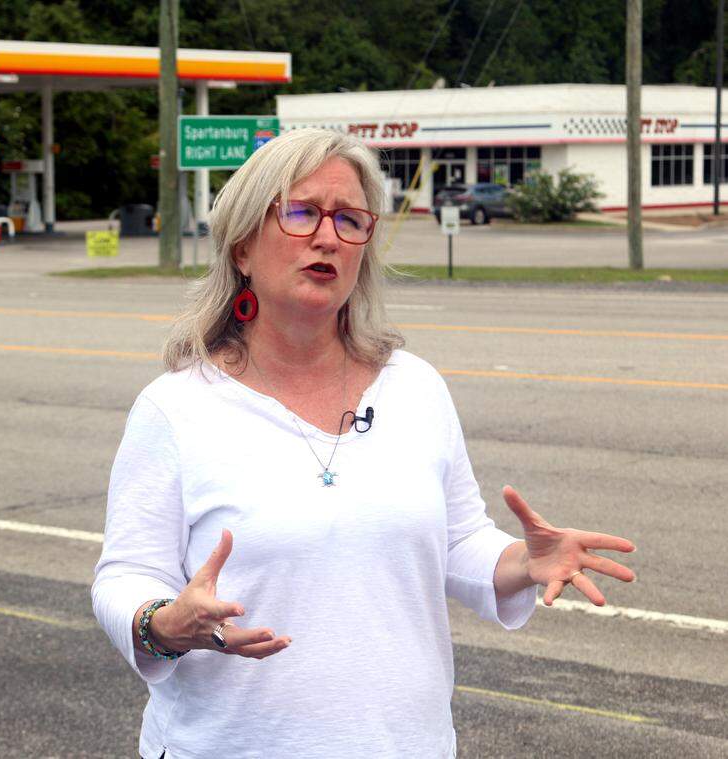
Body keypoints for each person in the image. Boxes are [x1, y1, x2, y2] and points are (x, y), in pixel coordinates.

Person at [91, 128, 636, 758]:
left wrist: (523, 561)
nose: (328, 237)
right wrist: (162, 625)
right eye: (300, 213)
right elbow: (126, 576)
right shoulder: (179, 406)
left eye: (350, 220)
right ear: (242, 246)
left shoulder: (416, 388)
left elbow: (456, 540)